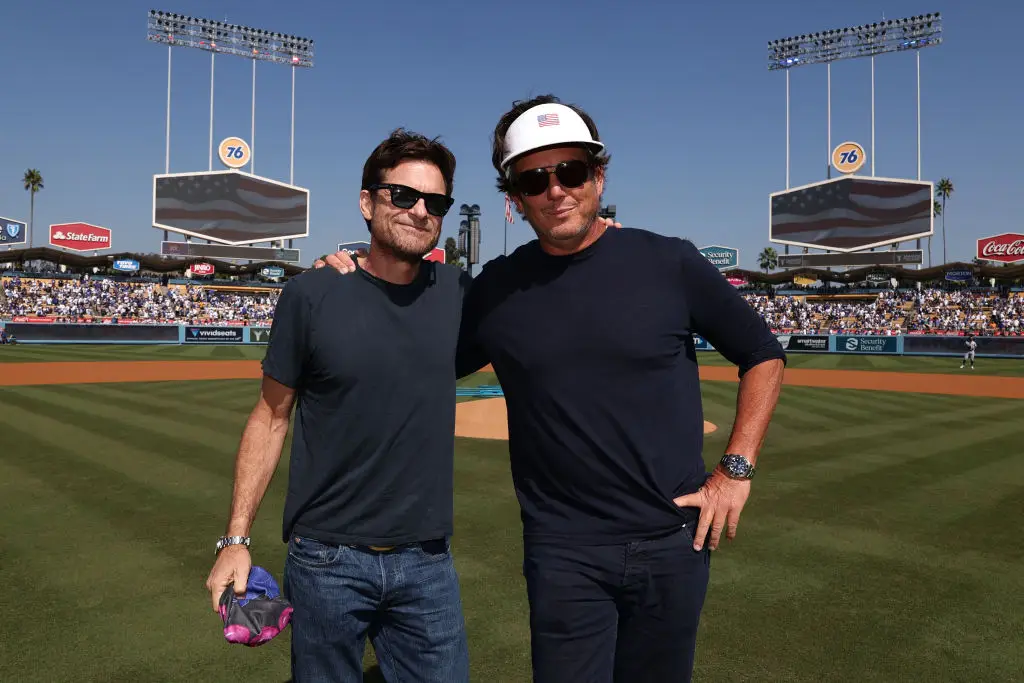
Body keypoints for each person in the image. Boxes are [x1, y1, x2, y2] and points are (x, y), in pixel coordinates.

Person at [322, 94, 787, 683]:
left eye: (571, 171)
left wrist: (736, 470)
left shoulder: (669, 262)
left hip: (672, 541)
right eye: (534, 180)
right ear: (514, 198)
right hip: (563, 553)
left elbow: (762, 353)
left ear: (599, 176)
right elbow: (413, 356)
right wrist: (351, 280)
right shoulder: (498, 288)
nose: (556, 190)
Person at [205, 128, 471, 683]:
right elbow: (270, 417)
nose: (420, 211)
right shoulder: (312, 294)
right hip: (326, 561)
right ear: (367, 202)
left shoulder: (458, 294)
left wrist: (595, 237)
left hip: (427, 562)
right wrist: (235, 540)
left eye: (436, 202)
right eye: (403, 195)